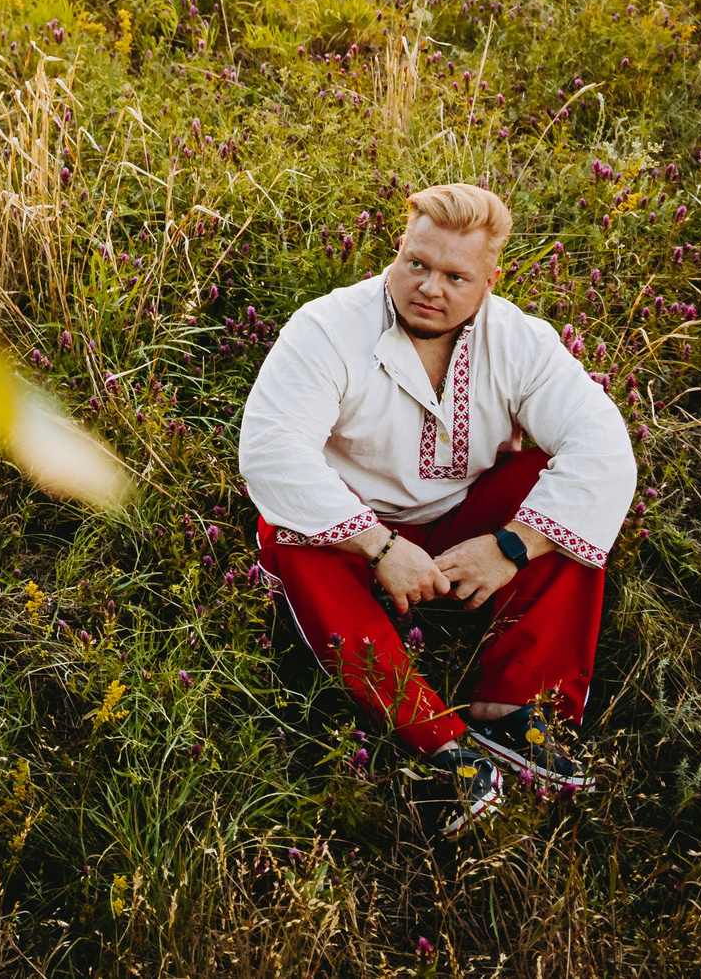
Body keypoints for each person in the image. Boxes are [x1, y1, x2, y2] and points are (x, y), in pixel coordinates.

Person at [238, 183, 636, 835]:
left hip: (460, 524)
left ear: (488, 280)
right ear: (398, 248)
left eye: (455, 276)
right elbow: (271, 452)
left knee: (552, 485)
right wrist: (380, 547)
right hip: (351, 535)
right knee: (289, 529)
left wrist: (511, 545)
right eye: (417, 264)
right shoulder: (326, 328)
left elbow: (604, 450)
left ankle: (511, 709)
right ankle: (442, 748)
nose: (430, 287)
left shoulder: (518, 341)